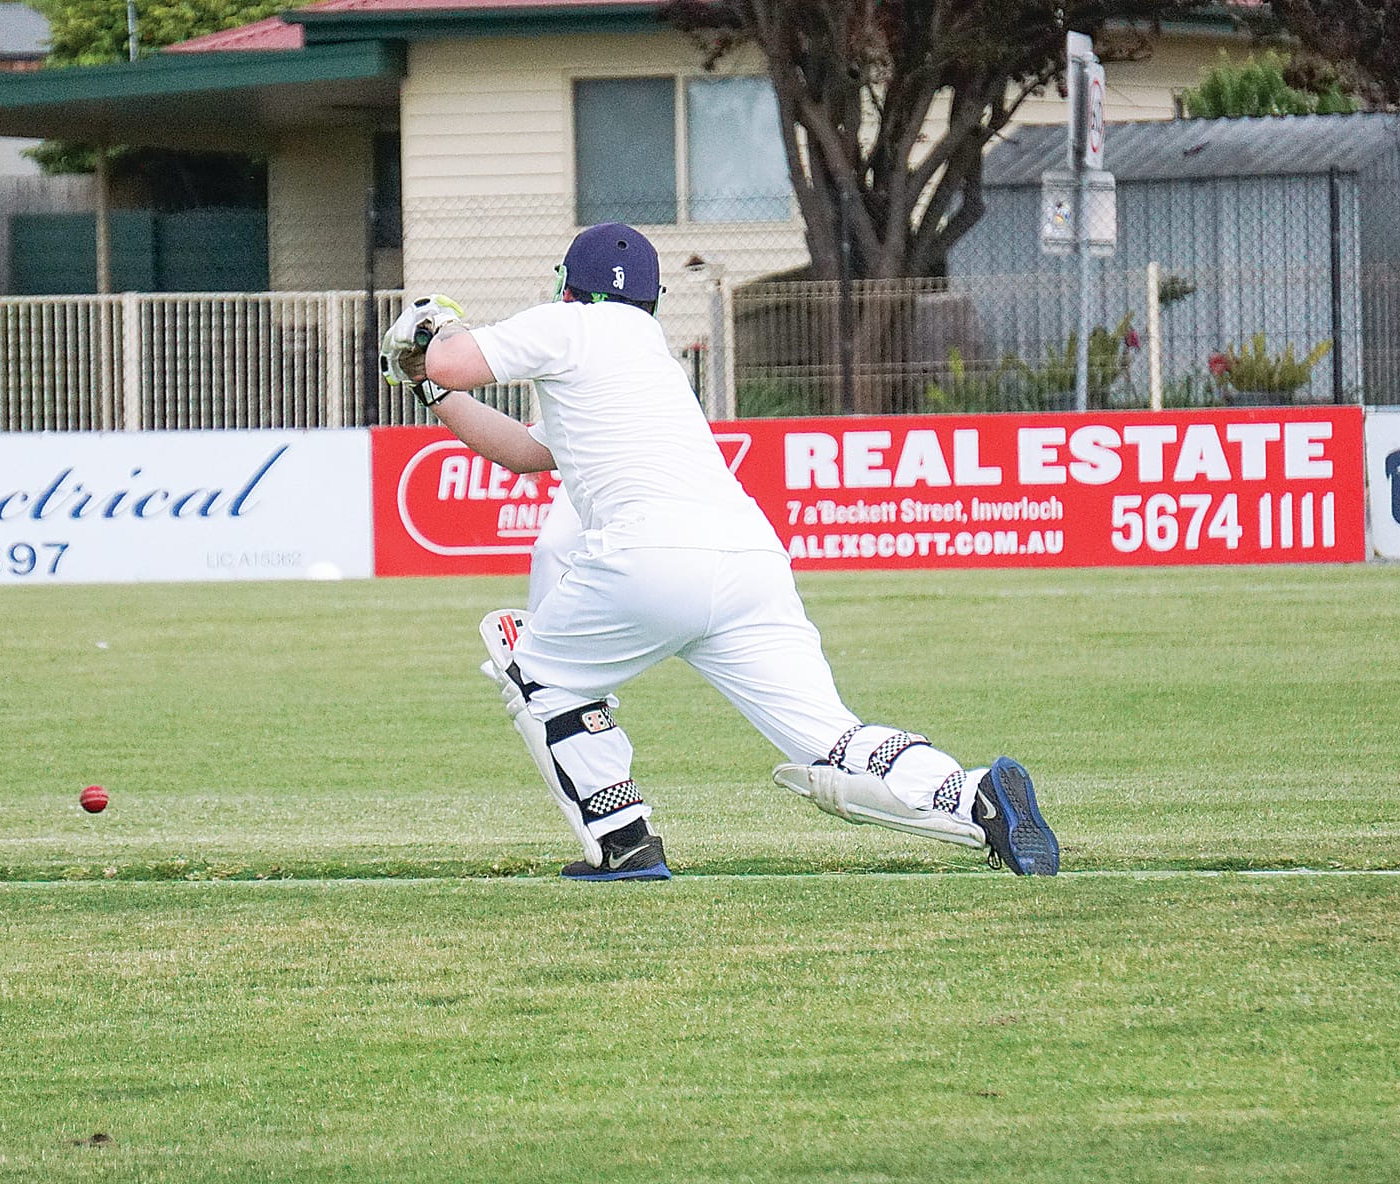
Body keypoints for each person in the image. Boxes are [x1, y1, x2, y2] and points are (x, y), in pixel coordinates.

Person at [379, 223, 1057, 880]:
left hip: (648, 556)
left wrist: (432, 328)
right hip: (747, 560)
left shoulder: (573, 323)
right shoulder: (651, 360)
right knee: (828, 735)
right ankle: (970, 794)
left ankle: (623, 839)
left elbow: (452, 359)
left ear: (570, 287)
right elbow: (526, 452)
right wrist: (434, 389)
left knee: (537, 677)